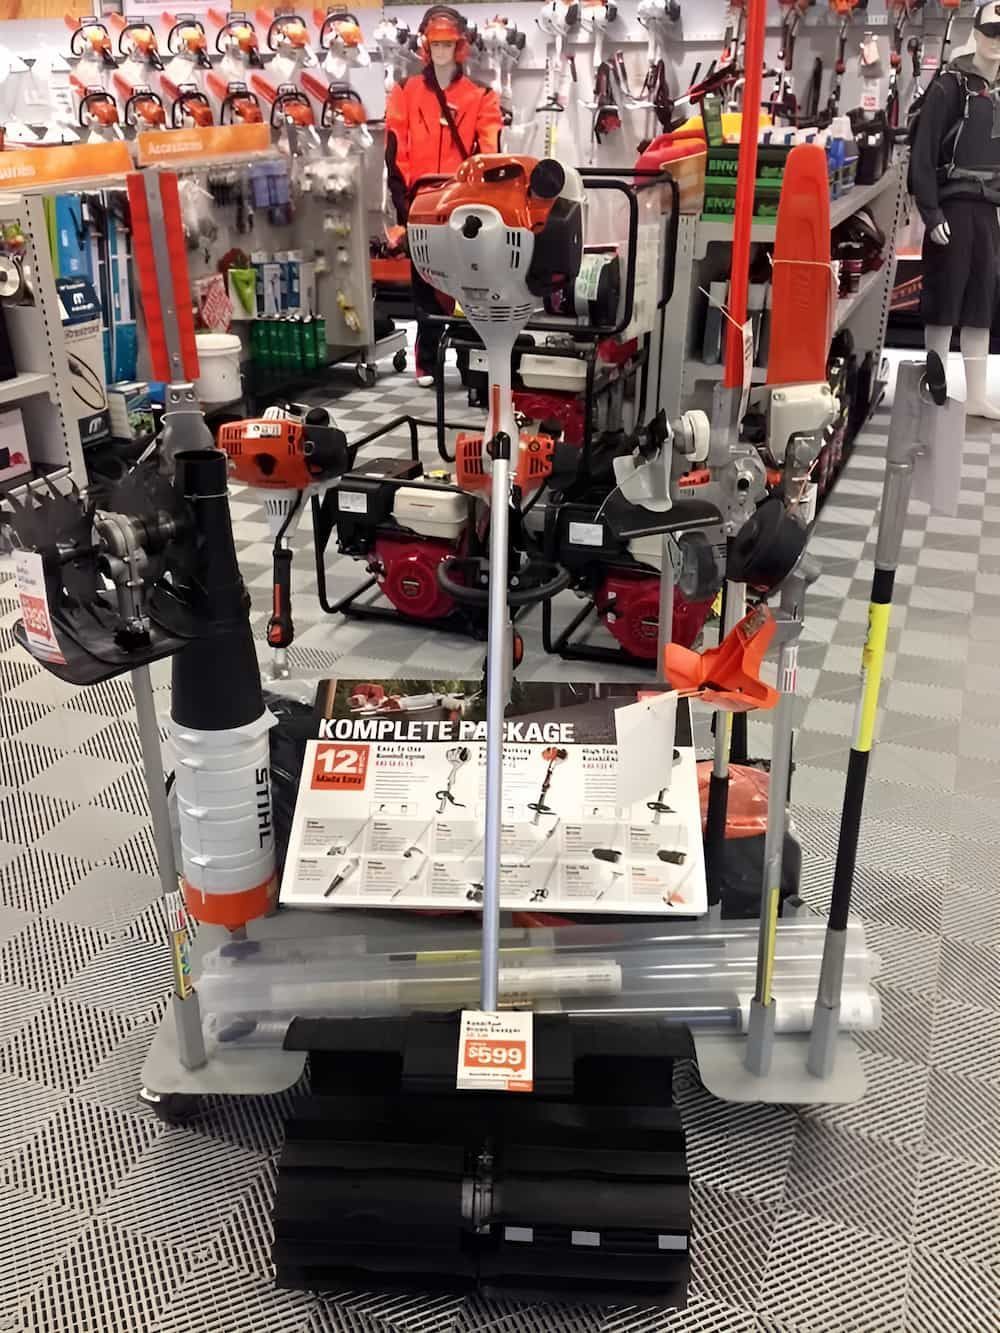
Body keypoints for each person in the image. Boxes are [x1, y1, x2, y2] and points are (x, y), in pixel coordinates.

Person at [385, 6, 503, 385]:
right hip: (420, 204)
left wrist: (481, 200)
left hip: (462, 205)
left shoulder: (481, 96)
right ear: (425, 46)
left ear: (459, 47)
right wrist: (404, 204)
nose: (440, 51)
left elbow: (489, 152)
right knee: (425, 284)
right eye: (435, 44)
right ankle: (427, 362)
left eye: (447, 44)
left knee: (470, 286)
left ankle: (471, 363)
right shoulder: (404, 92)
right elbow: (396, 150)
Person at [910, 1, 1000, 417]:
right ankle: (935, 391)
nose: (996, 42)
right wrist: (931, 212)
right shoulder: (949, 86)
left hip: (988, 212)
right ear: (976, 34)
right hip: (951, 210)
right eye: (990, 33)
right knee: (944, 301)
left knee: (981, 304)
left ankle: (977, 396)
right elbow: (923, 153)